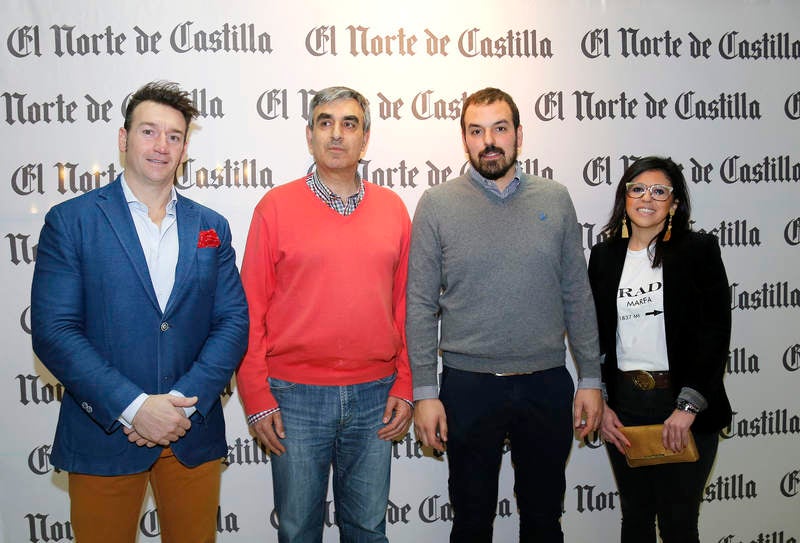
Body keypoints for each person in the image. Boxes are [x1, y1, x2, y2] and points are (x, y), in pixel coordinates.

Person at [30, 81, 249, 543]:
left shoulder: (212, 226)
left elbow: (232, 322)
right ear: (123, 138)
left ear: (185, 149)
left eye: (174, 136)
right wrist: (135, 408)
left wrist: (181, 403)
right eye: (149, 131)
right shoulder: (71, 221)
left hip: (190, 432)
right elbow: (55, 330)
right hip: (105, 435)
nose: (161, 145)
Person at [407, 87, 603, 543]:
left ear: (519, 134)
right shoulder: (437, 203)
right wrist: (425, 392)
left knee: (543, 521)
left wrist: (591, 378)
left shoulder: (555, 198)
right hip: (468, 386)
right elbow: (420, 303)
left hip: (546, 382)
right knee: (471, 523)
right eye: (477, 131)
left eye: (499, 128)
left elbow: (576, 294)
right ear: (464, 139)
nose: (489, 141)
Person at [236, 86, 413, 543]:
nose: (337, 134)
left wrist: (406, 383)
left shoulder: (393, 210)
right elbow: (250, 309)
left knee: (368, 530)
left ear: (365, 138)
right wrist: (256, 395)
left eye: (349, 123)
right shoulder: (274, 208)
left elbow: (406, 307)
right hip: (294, 398)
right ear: (309, 135)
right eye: (325, 122)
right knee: (298, 532)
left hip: (376, 395)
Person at [587, 156, 732, 542]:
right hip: (625, 408)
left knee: (678, 524)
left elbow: (715, 332)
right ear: (624, 198)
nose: (646, 198)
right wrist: (603, 403)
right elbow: (593, 337)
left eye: (658, 191)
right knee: (635, 519)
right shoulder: (604, 257)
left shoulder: (698, 250)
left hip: (682, 407)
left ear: (675, 203)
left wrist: (687, 408)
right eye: (637, 189)